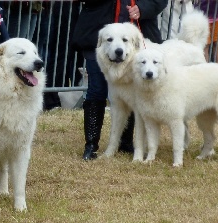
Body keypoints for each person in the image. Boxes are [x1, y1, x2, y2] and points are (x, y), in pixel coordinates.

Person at [72, 0, 168, 161]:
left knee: (132, 94)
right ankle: (91, 145)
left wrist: (142, 9)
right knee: (96, 90)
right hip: (98, 35)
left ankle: (126, 143)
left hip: (135, 41)